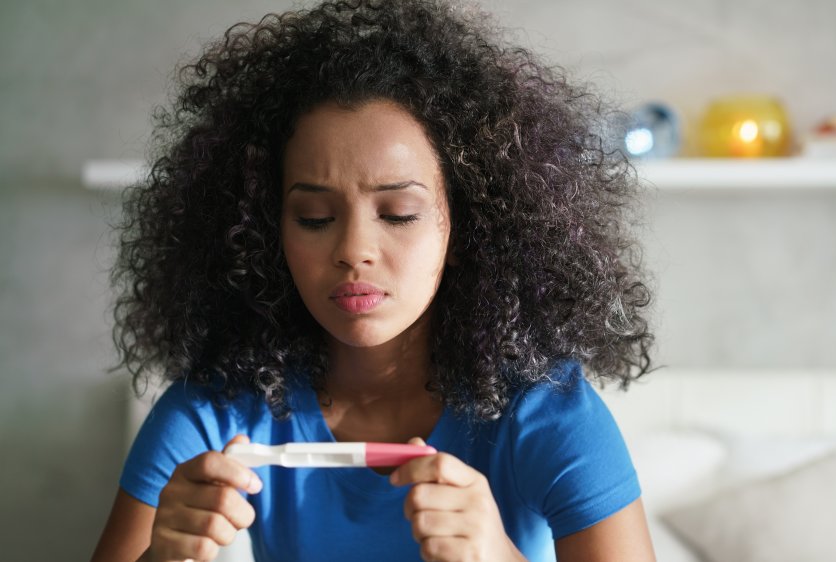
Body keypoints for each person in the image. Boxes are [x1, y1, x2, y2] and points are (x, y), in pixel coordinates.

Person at [92, 0, 657, 560]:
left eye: (398, 213)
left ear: (464, 231)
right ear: (267, 237)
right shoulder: (215, 409)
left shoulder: (547, 409)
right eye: (315, 218)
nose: (354, 251)